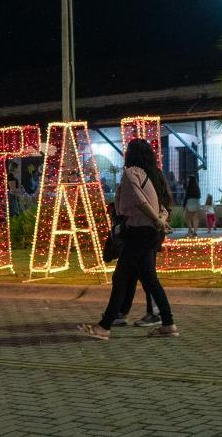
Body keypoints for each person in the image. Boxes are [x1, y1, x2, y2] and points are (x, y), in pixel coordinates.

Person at [77, 139, 177, 339]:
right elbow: (162, 206)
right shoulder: (150, 174)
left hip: (138, 232)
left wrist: (157, 220)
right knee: (149, 279)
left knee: (121, 277)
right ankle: (168, 323)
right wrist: (160, 221)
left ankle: (104, 327)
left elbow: (140, 201)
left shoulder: (131, 173)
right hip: (149, 233)